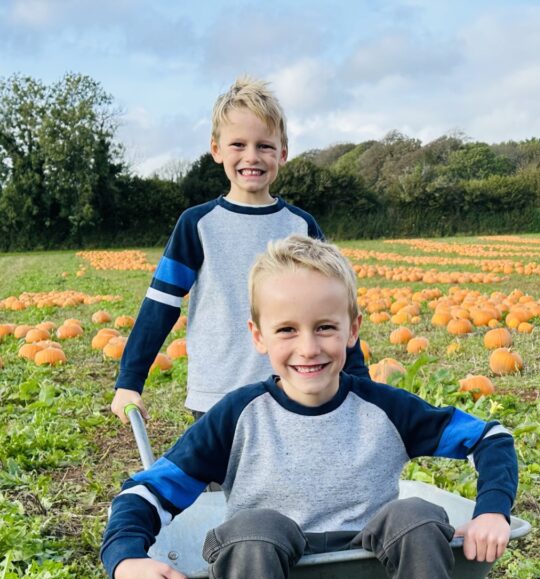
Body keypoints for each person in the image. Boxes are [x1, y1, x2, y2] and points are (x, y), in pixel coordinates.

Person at [101, 235, 517, 579]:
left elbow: (492, 438)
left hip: (372, 555)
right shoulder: (236, 416)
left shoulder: (383, 406)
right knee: (252, 530)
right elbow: (147, 491)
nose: (309, 348)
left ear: (353, 329)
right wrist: (127, 559)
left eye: (325, 327)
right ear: (257, 336)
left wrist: (490, 510)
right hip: (264, 561)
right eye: (287, 330)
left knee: (418, 516)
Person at [110, 76, 367, 422]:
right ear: (216, 149)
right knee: (222, 477)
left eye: (264, 146)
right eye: (238, 145)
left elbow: (337, 306)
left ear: (283, 153)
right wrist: (130, 380)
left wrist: (361, 385)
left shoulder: (301, 226)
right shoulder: (198, 225)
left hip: (293, 387)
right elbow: (161, 307)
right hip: (218, 393)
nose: (252, 156)